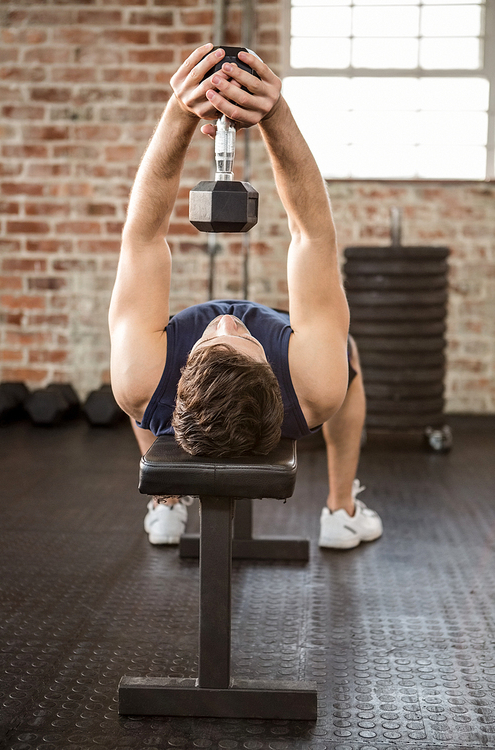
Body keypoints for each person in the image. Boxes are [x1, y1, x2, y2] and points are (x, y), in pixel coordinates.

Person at [108, 44, 383, 550]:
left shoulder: (149, 377)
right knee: (346, 356)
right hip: (281, 374)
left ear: (184, 376)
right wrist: (275, 114)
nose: (228, 322)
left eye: (215, 341)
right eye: (245, 340)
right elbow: (312, 236)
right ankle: (341, 512)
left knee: (133, 381)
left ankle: (166, 504)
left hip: (160, 375)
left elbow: (143, 237)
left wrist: (180, 111)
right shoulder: (311, 385)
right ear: (271, 375)